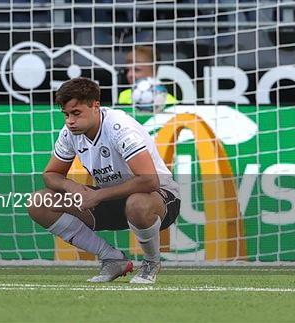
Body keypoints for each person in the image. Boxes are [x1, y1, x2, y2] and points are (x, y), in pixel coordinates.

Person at [27, 78, 181, 284]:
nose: (69, 121)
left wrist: (97, 195)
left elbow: (149, 181)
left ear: (95, 106)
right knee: (39, 202)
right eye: (66, 114)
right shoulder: (70, 133)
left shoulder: (120, 127)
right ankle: (112, 258)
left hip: (158, 199)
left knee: (136, 202)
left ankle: (151, 263)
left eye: (76, 113)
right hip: (110, 198)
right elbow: (50, 174)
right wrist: (71, 186)